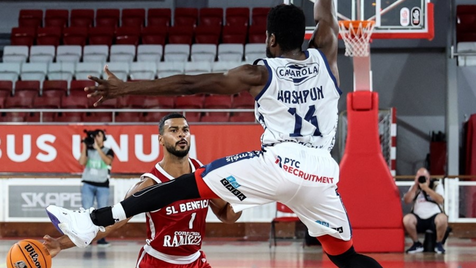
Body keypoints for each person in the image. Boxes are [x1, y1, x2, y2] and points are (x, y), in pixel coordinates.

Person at [46, 1, 383, 267]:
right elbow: (327, 13)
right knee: (346, 257)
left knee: (189, 182)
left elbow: (188, 84)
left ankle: (91, 222)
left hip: (281, 162)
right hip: (322, 173)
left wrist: (125, 89)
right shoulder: (326, 54)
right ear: (306, 34)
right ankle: (90, 223)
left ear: (270, 39)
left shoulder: (259, 74)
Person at [44, 113, 241, 267]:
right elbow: (111, 224)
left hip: (195, 261)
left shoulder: (204, 174)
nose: (182, 134)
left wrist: (246, 198)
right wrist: (61, 244)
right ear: (161, 140)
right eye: (174, 130)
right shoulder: (149, 184)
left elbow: (227, 216)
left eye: (185, 130)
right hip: (157, 262)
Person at [79, 129, 114, 247]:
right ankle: (87, 238)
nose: (96, 138)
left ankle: (101, 239)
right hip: (88, 183)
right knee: (86, 212)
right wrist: (85, 146)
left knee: (103, 212)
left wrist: (98, 148)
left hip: (102, 184)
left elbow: (108, 161)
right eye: (95, 136)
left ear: (104, 138)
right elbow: (82, 162)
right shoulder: (88, 150)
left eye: (98, 136)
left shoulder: (108, 151)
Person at [403, 167, 448, 254]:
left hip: (434, 217)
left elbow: (440, 200)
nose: (422, 179)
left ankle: (438, 244)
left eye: (425, 177)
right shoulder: (414, 187)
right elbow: (407, 201)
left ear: (429, 177)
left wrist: (426, 189)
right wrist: (415, 187)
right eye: (420, 177)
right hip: (418, 217)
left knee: (443, 218)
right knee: (407, 219)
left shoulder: (436, 185)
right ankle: (416, 243)